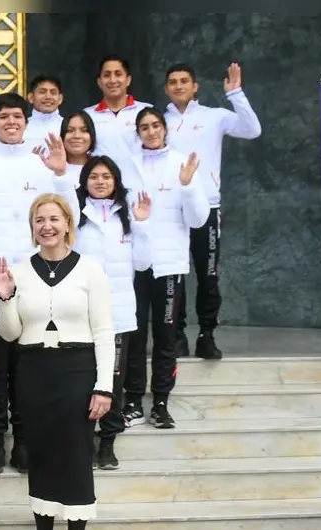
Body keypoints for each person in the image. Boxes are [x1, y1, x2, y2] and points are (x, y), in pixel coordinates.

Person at [0, 192, 115, 530]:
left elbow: (105, 332)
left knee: (74, 457)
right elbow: (9, 333)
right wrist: (5, 298)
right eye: (40, 219)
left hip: (77, 371)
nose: (47, 226)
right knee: (38, 456)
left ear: (68, 223)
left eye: (54, 218)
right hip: (34, 371)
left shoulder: (91, 269)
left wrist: (104, 386)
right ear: (32, 227)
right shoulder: (20, 272)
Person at [0, 92, 77, 475]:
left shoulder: (42, 164)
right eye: (4, 117)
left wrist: (61, 175)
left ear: (26, 123)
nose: (11, 122)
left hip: (36, 278)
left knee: (29, 363)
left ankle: (24, 440)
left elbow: (64, 217)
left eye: (17, 117)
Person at [118, 107, 209, 430]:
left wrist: (186, 186)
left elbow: (198, 220)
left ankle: (160, 402)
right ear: (138, 132)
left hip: (170, 265)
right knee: (135, 334)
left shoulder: (182, 164)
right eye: (144, 127)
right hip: (135, 264)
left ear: (165, 129)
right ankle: (131, 401)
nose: (151, 131)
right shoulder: (127, 166)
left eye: (156, 125)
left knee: (165, 336)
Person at [164, 62, 262, 359]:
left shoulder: (214, 117)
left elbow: (252, 130)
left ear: (195, 87)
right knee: (174, 275)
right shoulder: (158, 121)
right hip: (169, 212)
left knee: (208, 275)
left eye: (184, 81)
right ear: (166, 88)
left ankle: (207, 335)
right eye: (172, 82)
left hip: (207, 208)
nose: (179, 86)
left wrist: (236, 94)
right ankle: (176, 335)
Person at [72, 156, 153, 469]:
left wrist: (143, 224)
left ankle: (107, 443)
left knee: (113, 380)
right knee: (82, 379)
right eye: (94, 176)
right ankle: (83, 441)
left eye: (107, 177)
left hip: (117, 314)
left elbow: (143, 263)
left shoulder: (128, 216)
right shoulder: (77, 215)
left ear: (116, 181)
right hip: (80, 313)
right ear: (85, 181)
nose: (101, 182)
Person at [84, 55, 153, 162]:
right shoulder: (87, 116)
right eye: (107, 75)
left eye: (118, 74)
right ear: (99, 82)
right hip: (101, 178)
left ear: (128, 80)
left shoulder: (146, 111)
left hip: (139, 177)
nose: (112, 80)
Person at [23, 75, 65, 149]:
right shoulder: (21, 127)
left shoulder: (68, 127)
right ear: (31, 97)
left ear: (60, 99)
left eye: (53, 92)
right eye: (42, 92)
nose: (48, 97)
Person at [60, 111, 97, 185]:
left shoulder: (101, 167)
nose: (77, 136)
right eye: (70, 130)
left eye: (84, 131)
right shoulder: (50, 167)